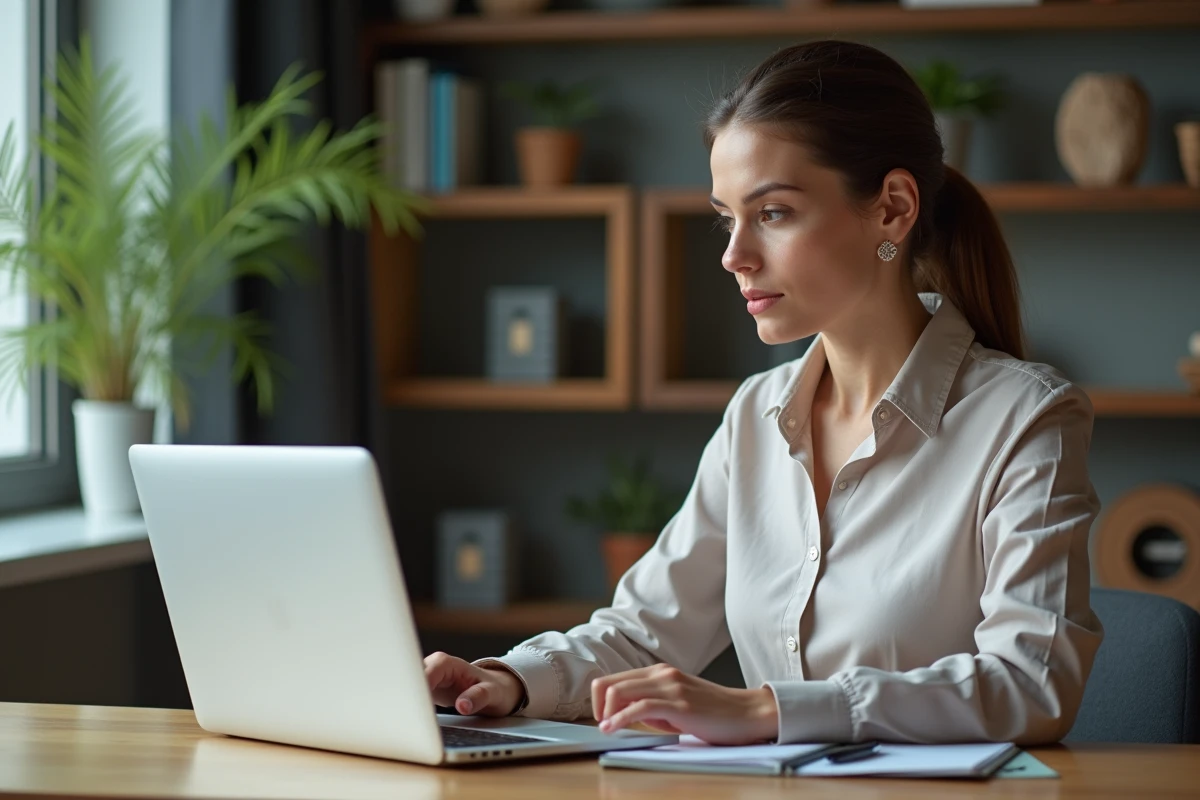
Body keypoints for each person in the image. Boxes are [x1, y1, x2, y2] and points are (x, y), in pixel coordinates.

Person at [424, 39, 1103, 747]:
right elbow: (646, 632)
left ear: (893, 209)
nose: (733, 254)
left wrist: (768, 710)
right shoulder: (756, 413)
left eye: (773, 213)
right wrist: (507, 680)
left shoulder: (1026, 419)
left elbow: (1032, 684)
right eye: (727, 217)